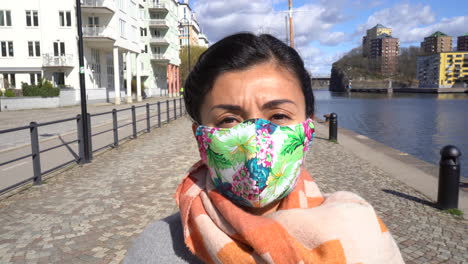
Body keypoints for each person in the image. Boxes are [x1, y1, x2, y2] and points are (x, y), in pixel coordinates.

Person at [124, 33, 404, 264]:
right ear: (200, 137)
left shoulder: (360, 231)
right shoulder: (155, 251)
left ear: (308, 127)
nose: (255, 140)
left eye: (278, 116)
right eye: (229, 120)